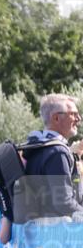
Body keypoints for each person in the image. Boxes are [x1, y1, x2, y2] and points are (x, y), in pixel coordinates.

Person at [21, 93, 83, 221]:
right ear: (56, 118)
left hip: (37, 229)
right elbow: (64, 202)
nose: (79, 118)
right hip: (56, 233)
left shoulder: (37, 146)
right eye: (73, 114)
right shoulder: (57, 152)